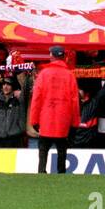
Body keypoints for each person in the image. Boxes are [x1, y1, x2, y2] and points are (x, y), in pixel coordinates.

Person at [29, 46, 79, 174]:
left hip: (46, 119)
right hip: (63, 120)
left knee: (43, 150)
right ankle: (61, 174)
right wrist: (75, 123)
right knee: (62, 150)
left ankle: (42, 173)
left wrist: (34, 120)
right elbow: (75, 102)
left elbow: (36, 99)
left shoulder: (43, 74)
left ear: (51, 55)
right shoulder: (70, 75)